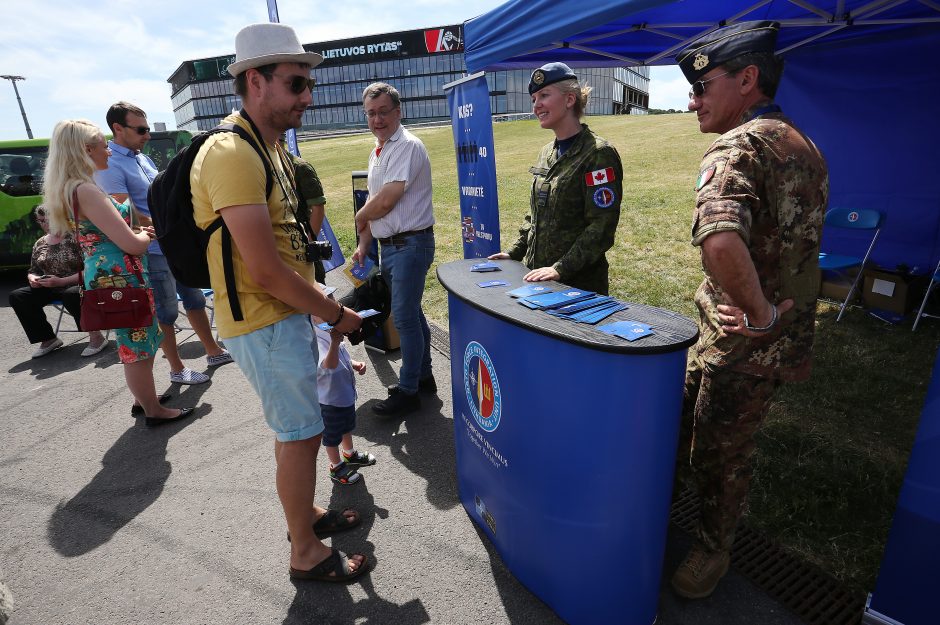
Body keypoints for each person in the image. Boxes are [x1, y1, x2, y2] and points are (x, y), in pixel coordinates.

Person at [190, 22, 367, 582]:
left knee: (300, 430)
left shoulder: (264, 148)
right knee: (301, 433)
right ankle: (305, 553)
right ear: (255, 81)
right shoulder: (232, 151)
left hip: (278, 315)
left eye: (307, 83)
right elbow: (265, 269)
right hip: (263, 319)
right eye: (296, 83)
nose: (307, 96)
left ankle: (305, 516)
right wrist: (336, 313)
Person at [670, 21, 828, 599]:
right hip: (778, 335)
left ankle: (711, 551)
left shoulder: (740, 144)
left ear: (748, 79)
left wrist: (758, 312)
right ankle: (668, 518)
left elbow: (719, 240)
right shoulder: (799, 143)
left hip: (741, 340)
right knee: (698, 431)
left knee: (718, 451)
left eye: (703, 86)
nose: (693, 101)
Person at [43, 119, 195, 425]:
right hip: (119, 277)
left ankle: (145, 399)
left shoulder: (71, 188)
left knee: (137, 340)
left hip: (108, 275)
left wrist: (138, 231)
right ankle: (152, 410)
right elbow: (131, 243)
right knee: (137, 345)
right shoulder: (86, 190)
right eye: (103, 145)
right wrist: (145, 237)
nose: (109, 151)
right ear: (86, 150)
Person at [96, 101, 232, 386]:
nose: (147, 135)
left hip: (172, 243)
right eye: (141, 129)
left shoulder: (140, 157)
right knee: (166, 310)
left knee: (194, 298)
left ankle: (213, 351)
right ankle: (177, 368)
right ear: (117, 128)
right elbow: (123, 211)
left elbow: (159, 198)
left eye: (147, 129)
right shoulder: (110, 165)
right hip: (155, 248)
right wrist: (165, 225)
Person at [488, 62, 622, 295]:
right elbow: (536, 216)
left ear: (570, 100)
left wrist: (559, 268)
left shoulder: (598, 154)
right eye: (533, 99)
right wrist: (515, 252)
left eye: (544, 95)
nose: (536, 105)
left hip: (577, 287)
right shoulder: (546, 153)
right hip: (536, 279)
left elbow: (601, 227)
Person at [352, 82, 436, 417]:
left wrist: (360, 216)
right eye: (371, 113)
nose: (377, 119)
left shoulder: (406, 146)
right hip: (393, 246)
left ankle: (409, 390)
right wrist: (363, 243)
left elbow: (385, 202)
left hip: (410, 244)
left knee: (403, 317)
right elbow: (377, 205)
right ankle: (423, 378)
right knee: (411, 314)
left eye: (383, 111)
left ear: (398, 112)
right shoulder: (380, 150)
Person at [9, 204, 109, 358]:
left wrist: (62, 281)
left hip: (80, 284)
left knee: (71, 293)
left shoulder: (76, 238)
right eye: (41, 221)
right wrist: (33, 278)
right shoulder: (40, 243)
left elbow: (92, 269)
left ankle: (96, 337)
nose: (45, 225)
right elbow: (34, 269)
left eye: (48, 220)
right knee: (18, 296)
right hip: (51, 286)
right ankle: (48, 339)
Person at [312, 290, 375, 486]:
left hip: (344, 394)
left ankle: (349, 454)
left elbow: (341, 356)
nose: (332, 306)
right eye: (326, 304)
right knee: (332, 435)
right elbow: (328, 364)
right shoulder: (317, 338)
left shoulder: (330, 331)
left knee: (347, 427)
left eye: (333, 301)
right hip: (329, 400)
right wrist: (334, 342)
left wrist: (354, 363)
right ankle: (336, 466)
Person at [287, 151, 328, 284]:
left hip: (301, 242)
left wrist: (308, 247)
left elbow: (318, 208)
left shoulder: (299, 167)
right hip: (283, 248)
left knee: (317, 291)